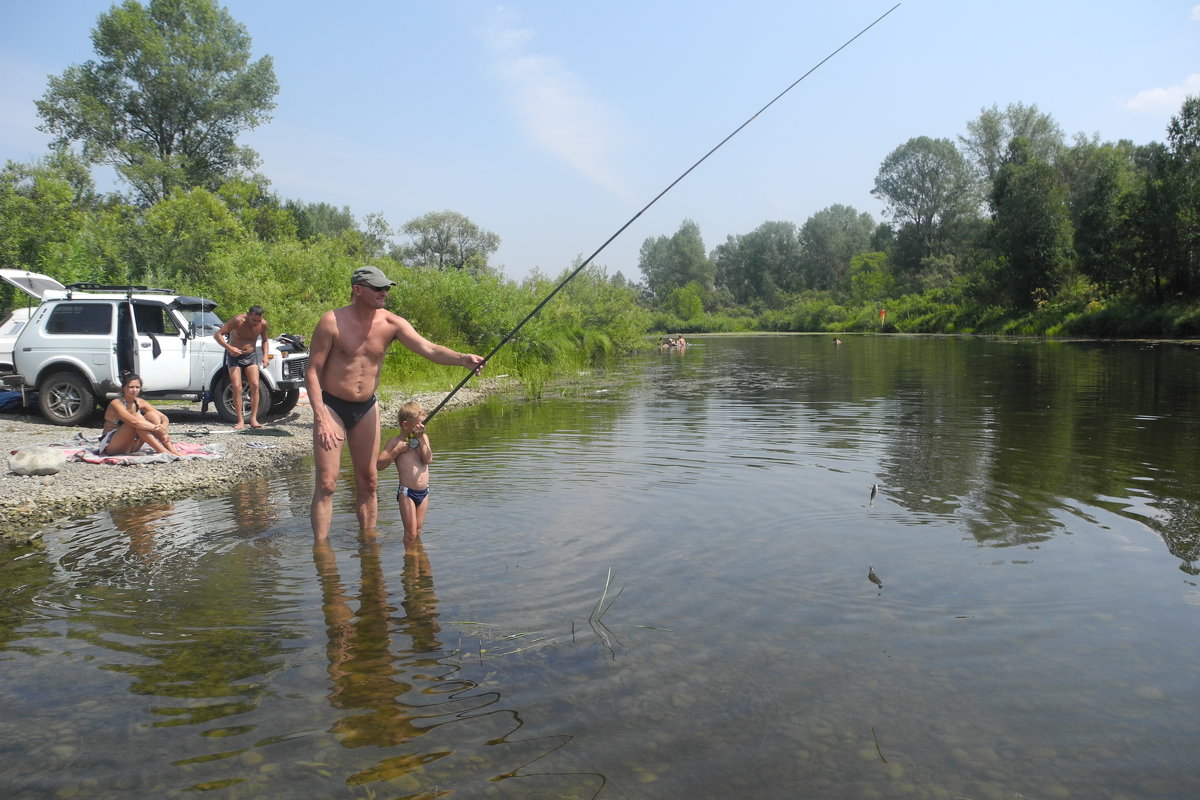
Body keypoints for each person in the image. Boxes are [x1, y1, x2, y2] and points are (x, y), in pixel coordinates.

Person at [307, 266, 484, 539]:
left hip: (365, 407)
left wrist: (463, 359)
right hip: (331, 405)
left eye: (386, 288)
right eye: (378, 288)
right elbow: (312, 371)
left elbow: (429, 348)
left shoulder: (392, 323)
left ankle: (369, 549)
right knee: (328, 483)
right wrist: (320, 417)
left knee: (369, 481)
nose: (384, 293)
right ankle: (322, 553)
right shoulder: (331, 321)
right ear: (358, 289)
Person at [377, 402, 432, 543]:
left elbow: (428, 459)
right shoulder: (395, 442)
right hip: (407, 492)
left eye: (423, 425)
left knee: (418, 529)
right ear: (406, 425)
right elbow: (379, 465)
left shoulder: (423, 438)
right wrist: (396, 451)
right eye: (419, 425)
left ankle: (418, 555)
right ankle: (410, 562)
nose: (422, 428)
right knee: (410, 533)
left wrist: (420, 439)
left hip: (424, 492)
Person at [99, 373, 182, 456]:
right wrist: (157, 429)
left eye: (137, 387)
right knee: (138, 418)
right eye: (131, 387)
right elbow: (135, 422)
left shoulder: (139, 402)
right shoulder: (116, 403)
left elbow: (162, 416)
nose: (134, 390)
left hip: (132, 446)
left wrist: (164, 426)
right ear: (123, 388)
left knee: (152, 415)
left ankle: (171, 449)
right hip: (112, 446)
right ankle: (162, 451)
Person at [214, 305, 270, 429]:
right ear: (248, 315)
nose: (256, 323)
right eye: (253, 320)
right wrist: (230, 348)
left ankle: (253, 419)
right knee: (237, 386)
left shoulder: (263, 325)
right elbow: (217, 335)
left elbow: (265, 340)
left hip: (251, 355)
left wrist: (265, 356)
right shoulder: (237, 321)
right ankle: (240, 420)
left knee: (255, 385)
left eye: (258, 320)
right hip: (234, 356)